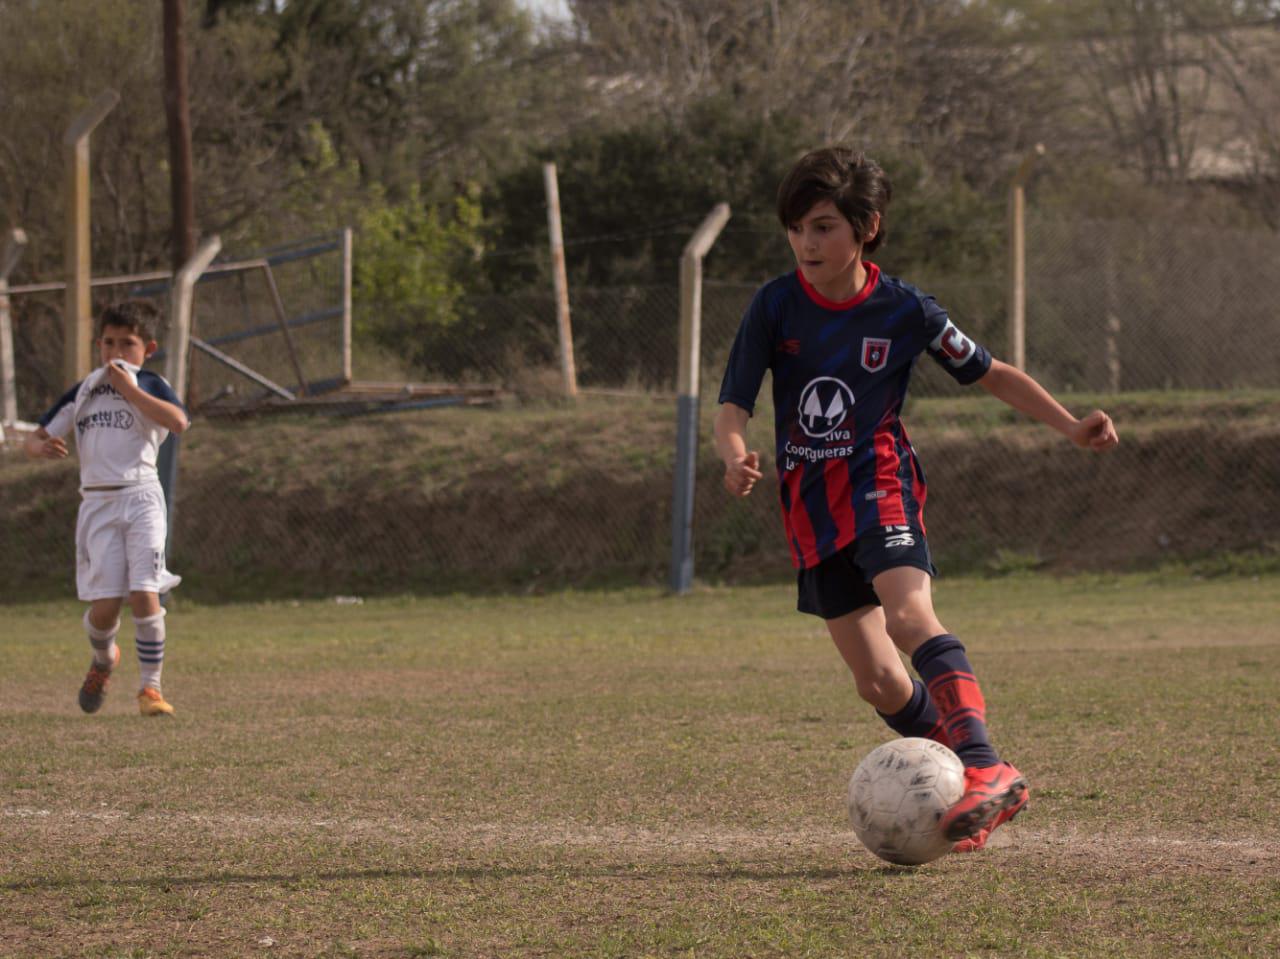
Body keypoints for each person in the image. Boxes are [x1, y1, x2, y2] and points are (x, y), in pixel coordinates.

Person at [715, 147, 1118, 852]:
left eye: (823, 227)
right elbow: (732, 406)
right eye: (796, 229)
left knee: (908, 615)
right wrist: (732, 456)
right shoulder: (775, 305)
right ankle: (971, 788)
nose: (807, 243)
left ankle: (986, 766)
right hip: (809, 506)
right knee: (877, 680)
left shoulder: (903, 309)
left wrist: (1069, 425)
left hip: (880, 485)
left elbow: (991, 372)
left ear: (866, 227)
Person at [25, 299, 190, 717]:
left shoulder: (149, 383)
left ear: (147, 348)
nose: (116, 352)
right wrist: (40, 447)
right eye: (109, 343)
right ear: (98, 345)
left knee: (145, 592)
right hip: (98, 503)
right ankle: (104, 659)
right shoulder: (86, 390)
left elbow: (178, 422)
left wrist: (130, 390)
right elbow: (34, 437)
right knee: (105, 608)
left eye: (127, 344)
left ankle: (151, 689)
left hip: (141, 498)